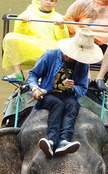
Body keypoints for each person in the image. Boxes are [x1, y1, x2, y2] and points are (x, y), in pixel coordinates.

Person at [27, 28, 103, 157]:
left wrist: (72, 87)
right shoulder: (50, 55)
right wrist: (35, 88)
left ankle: (64, 141)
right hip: (48, 94)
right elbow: (33, 74)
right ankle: (51, 140)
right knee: (57, 104)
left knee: (72, 105)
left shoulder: (83, 65)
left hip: (67, 96)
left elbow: (82, 88)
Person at [1, 0, 69, 81]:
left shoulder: (57, 17)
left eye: (52, 0)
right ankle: (17, 73)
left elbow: (63, 39)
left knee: (59, 49)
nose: (48, 2)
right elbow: (19, 33)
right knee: (9, 37)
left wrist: (61, 26)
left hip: (50, 47)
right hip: (32, 45)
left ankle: (44, 77)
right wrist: (23, 23)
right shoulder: (28, 12)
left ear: (55, 3)